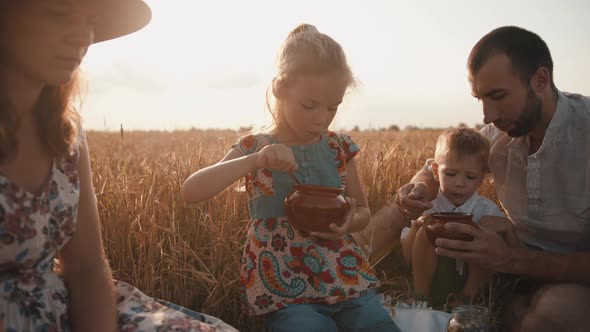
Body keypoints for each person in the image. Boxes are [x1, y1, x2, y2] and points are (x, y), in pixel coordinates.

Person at [0, 1, 236, 331]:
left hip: (68, 309)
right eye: (59, 14)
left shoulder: (65, 132)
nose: (82, 36)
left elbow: (87, 267)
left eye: (90, 21)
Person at [181, 24, 400, 332]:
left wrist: (350, 223)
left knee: (374, 325)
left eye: (332, 107)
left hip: (343, 274)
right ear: (280, 90)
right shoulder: (255, 147)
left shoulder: (339, 148)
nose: (322, 117)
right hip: (286, 285)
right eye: (309, 105)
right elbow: (191, 191)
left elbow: (363, 211)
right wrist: (255, 161)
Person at [371, 26, 590, 331]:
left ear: (541, 80)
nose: (487, 115)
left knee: (552, 313)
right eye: (480, 100)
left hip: (568, 277)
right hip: (504, 267)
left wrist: (513, 260)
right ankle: (346, 274)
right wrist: (419, 186)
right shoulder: (498, 135)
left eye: (498, 96)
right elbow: (440, 164)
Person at [400, 127, 507, 307]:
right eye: (450, 174)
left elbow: (500, 255)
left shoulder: (486, 210)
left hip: (472, 281)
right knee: (427, 229)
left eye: (470, 177)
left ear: (481, 178)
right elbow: (407, 259)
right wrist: (418, 227)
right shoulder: (429, 206)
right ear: (435, 170)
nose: (459, 183)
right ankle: (421, 297)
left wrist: (503, 228)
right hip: (434, 279)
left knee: (485, 235)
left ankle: (466, 298)